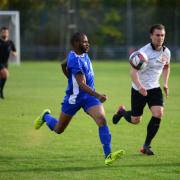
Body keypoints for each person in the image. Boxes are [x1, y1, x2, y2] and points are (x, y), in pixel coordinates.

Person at [34, 32, 125, 165]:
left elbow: (62, 65)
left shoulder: (79, 54)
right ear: (75, 44)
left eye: (87, 41)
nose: (87, 44)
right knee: (59, 129)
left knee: (101, 119)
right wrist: (98, 95)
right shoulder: (75, 61)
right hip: (74, 98)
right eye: (84, 42)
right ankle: (46, 116)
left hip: (89, 97)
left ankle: (108, 155)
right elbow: (82, 84)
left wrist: (70, 79)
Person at [112, 24, 171, 155]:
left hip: (154, 88)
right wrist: (140, 87)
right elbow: (133, 73)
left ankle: (146, 146)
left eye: (162, 35)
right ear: (151, 36)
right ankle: (122, 112)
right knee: (135, 120)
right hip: (139, 89)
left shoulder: (166, 52)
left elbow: (166, 67)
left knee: (158, 113)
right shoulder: (142, 53)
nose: (160, 38)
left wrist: (165, 83)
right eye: (157, 35)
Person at [0, 26, 17, 99]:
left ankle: (1, 91)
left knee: (3, 77)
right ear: (1, 33)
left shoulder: (10, 43)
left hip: (5, 63)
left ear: (8, 33)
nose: (5, 33)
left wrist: (13, 53)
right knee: (5, 74)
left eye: (6, 32)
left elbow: (15, 52)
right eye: (3, 32)